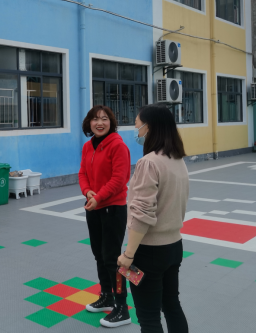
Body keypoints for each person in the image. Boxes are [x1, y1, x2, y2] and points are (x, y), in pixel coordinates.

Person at [117, 104, 189, 333]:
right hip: (174, 246)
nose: (136, 131)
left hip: (148, 252)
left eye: (137, 125)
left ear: (149, 127)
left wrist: (129, 254)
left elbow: (142, 213)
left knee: (148, 317)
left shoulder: (149, 162)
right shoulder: (177, 159)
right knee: (172, 305)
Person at [79, 105, 132, 328]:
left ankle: (122, 307)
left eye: (104, 119)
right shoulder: (87, 146)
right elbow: (82, 173)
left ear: (111, 122)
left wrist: (98, 197)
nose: (99, 123)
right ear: (89, 123)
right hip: (94, 207)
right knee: (99, 255)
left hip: (113, 208)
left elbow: (120, 179)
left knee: (113, 259)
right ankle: (107, 296)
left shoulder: (118, 146)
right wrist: (87, 192)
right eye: (95, 119)